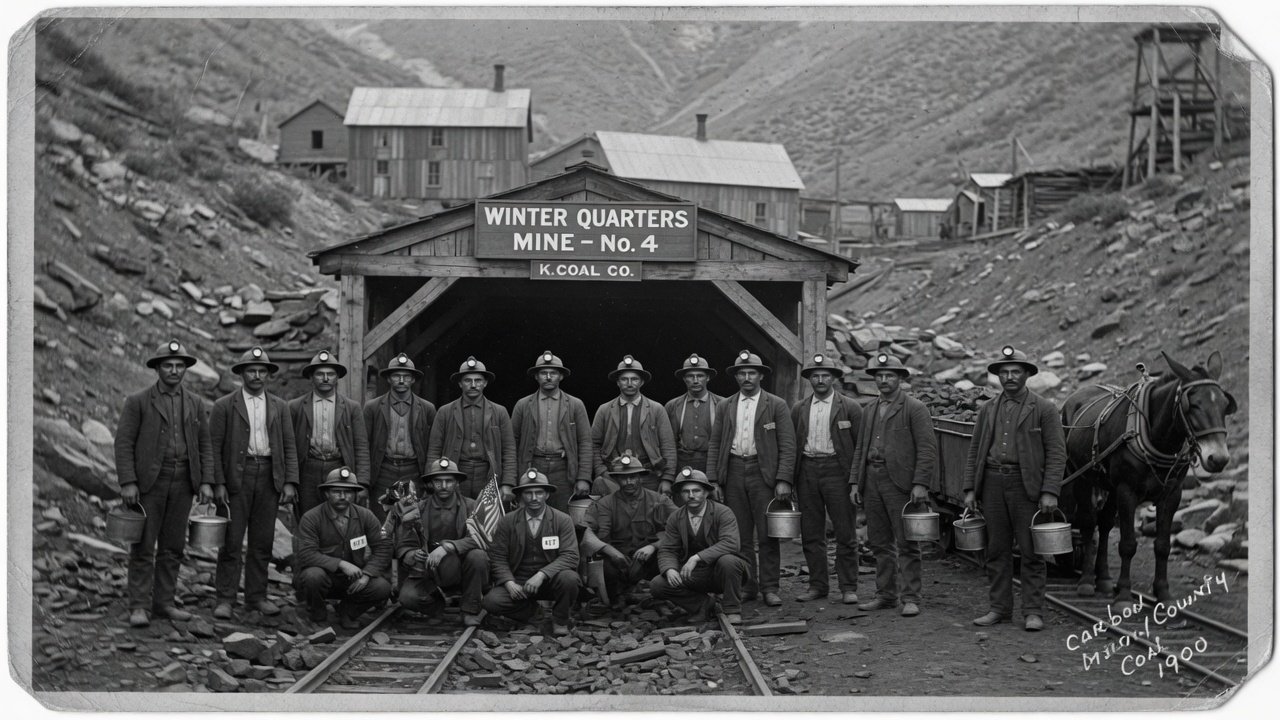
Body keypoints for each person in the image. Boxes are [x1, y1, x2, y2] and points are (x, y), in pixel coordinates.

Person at [113, 339, 217, 627]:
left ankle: (164, 603)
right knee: (144, 546)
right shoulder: (138, 401)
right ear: (157, 369)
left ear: (186, 369)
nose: (174, 370)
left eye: (179, 366)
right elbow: (123, 443)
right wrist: (129, 481)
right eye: (168, 365)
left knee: (173, 546)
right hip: (150, 484)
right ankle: (138, 606)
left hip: (183, 483)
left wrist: (206, 481)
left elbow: (204, 444)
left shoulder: (195, 403)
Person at [963, 346, 1066, 632]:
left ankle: (1033, 611)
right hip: (993, 484)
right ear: (997, 376)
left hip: (1026, 486)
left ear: (1026, 375)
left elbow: (1057, 453)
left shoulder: (1044, 409)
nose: (1009, 377)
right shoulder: (987, 409)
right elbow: (975, 452)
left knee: (1032, 551)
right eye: (1004, 372)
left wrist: (1049, 491)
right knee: (996, 550)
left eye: (1015, 371)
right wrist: (971, 489)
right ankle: (999, 608)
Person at [210, 346, 299, 619]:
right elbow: (213, 447)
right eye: (252, 370)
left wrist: (289, 482)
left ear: (269, 375)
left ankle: (256, 597)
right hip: (238, 476)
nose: (257, 375)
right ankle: (225, 598)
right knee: (231, 540)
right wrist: (218, 484)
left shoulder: (280, 407)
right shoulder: (224, 405)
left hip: (269, 475)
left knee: (263, 541)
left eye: (262, 371)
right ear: (241, 374)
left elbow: (289, 445)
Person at [705, 350, 796, 607]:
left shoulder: (775, 405)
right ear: (736, 377)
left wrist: (783, 479)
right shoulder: (725, 406)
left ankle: (770, 588)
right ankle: (749, 586)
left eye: (751, 373)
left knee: (768, 534)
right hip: (733, 470)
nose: (746, 377)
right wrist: (714, 480)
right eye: (742, 373)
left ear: (760, 376)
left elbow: (788, 445)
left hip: (762, 473)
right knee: (740, 535)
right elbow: (715, 444)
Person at [850, 353, 937, 617]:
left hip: (900, 483)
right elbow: (860, 449)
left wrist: (920, 483)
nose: (884, 380)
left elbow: (927, 449)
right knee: (879, 542)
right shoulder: (869, 409)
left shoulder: (914, 408)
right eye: (879, 376)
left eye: (889, 376)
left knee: (907, 541)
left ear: (900, 379)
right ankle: (885, 594)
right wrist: (855, 482)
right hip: (872, 480)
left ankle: (910, 597)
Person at [789, 353, 862, 604]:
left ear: (834, 379)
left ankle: (848, 586)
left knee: (845, 532)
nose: (820, 380)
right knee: (811, 533)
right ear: (809, 379)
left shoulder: (850, 407)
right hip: (807, 471)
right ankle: (817, 586)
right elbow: (792, 446)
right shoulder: (799, 408)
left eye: (825, 375)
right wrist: (790, 480)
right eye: (815, 376)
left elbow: (859, 447)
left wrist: (855, 481)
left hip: (837, 472)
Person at [482, 469, 581, 636]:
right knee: (491, 602)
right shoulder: (509, 521)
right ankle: (533, 611)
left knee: (569, 579)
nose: (534, 498)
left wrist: (542, 574)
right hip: (519, 580)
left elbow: (570, 556)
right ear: (521, 495)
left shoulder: (562, 520)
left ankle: (560, 619)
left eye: (539, 492)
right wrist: (508, 582)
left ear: (547, 495)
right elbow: (498, 556)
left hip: (551, 581)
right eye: (528, 493)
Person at [391, 458, 488, 626]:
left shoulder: (471, 507)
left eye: (449, 481)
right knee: (407, 597)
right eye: (438, 481)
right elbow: (403, 544)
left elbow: (481, 538)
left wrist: (449, 547)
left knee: (478, 556)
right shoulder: (418, 508)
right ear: (431, 483)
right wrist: (412, 553)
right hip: (429, 570)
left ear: (457, 482)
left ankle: (469, 610)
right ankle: (436, 606)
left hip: (460, 567)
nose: (443, 486)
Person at [293, 467, 393, 629]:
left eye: (348, 492)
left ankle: (346, 611)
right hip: (323, 577)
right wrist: (341, 564)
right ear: (326, 493)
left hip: (353, 579)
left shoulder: (365, 516)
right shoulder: (311, 517)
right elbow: (306, 553)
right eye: (336, 491)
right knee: (313, 576)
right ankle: (318, 616)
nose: (342, 496)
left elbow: (383, 547)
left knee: (382, 587)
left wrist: (367, 574)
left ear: (354, 495)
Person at [649, 467, 749, 624]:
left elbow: (731, 543)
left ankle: (732, 609)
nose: (691, 495)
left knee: (729, 560)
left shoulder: (723, 512)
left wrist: (696, 558)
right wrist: (669, 569)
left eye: (696, 491)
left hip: (721, 572)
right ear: (680, 495)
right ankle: (702, 605)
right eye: (685, 491)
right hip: (694, 574)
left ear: (706, 492)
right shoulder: (676, 517)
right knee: (657, 585)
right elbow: (668, 549)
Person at [288, 349, 371, 518]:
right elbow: (288, 446)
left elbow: (361, 446)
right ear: (311, 377)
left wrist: (362, 482)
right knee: (307, 518)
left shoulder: (351, 407)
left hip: (339, 468)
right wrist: (290, 481)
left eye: (330, 374)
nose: (325, 378)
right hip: (308, 470)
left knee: (340, 518)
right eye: (320, 374)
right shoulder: (295, 407)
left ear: (337, 377)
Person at [510, 351, 594, 515]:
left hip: (563, 469)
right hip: (532, 466)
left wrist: (583, 477)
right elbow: (512, 442)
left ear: (561, 376)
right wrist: (512, 478)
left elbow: (585, 442)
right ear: (536, 377)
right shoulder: (523, 405)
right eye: (543, 373)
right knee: (530, 513)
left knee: (562, 515)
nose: (548, 377)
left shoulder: (575, 405)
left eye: (553, 373)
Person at [592, 453, 677, 605]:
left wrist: (654, 546)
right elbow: (591, 533)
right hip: (619, 557)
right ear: (617, 479)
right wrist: (611, 551)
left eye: (633, 476)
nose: (629, 481)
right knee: (605, 567)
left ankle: (665, 595)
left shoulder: (659, 500)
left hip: (648, 557)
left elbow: (680, 526)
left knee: (669, 557)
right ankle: (618, 597)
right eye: (624, 478)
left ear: (641, 477)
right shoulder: (605, 503)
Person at [426, 356, 516, 500]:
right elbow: (434, 450)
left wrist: (508, 483)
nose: (473, 385)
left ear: (485, 383)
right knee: (456, 517)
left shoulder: (499, 412)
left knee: (486, 520)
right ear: (460, 384)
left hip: (487, 474)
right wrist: (431, 480)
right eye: (468, 380)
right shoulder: (445, 412)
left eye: (478, 380)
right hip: (455, 474)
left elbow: (509, 451)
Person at [591, 355, 677, 496]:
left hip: (648, 474)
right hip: (615, 474)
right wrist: (602, 471)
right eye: (624, 379)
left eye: (634, 379)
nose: (629, 383)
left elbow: (668, 445)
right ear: (618, 382)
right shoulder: (605, 409)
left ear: (642, 382)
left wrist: (667, 478)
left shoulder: (656, 409)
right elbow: (593, 444)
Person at [365, 353, 437, 522]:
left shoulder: (427, 408)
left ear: (413, 380)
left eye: (406, 376)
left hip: (413, 471)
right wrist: (365, 480)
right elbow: (364, 445)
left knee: (411, 519)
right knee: (382, 520)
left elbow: (433, 446)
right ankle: (384, 549)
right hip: (384, 471)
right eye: (397, 376)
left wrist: (428, 475)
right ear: (389, 379)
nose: (402, 380)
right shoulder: (373, 407)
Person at [664, 353, 725, 478]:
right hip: (682, 464)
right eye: (690, 376)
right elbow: (668, 443)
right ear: (684, 379)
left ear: (708, 378)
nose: (696, 380)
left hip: (712, 464)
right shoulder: (673, 406)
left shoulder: (722, 404)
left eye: (700, 376)